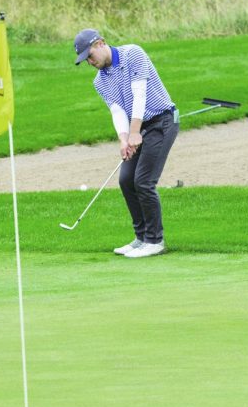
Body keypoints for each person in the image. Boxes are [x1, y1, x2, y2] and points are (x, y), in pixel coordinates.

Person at [73, 28, 179, 258]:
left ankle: (155, 240)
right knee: (126, 180)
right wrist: (124, 139)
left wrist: (134, 133)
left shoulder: (133, 54)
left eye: (90, 56)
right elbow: (117, 110)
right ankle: (141, 237)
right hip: (136, 129)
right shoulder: (100, 81)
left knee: (143, 181)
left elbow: (139, 94)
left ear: (100, 43)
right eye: (85, 60)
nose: (90, 62)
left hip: (161, 121)